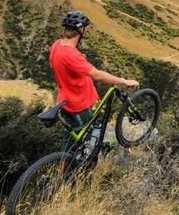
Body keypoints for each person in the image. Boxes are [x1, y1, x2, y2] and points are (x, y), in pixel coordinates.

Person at [49, 10, 138, 151]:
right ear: (80, 30)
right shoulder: (71, 54)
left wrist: (75, 64)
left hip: (64, 98)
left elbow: (58, 64)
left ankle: (76, 159)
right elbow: (97, 75)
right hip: (77, 103)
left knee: (74, 135)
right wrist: (123, 81)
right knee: (76, 140)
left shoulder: (57, 45)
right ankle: (68, 168)